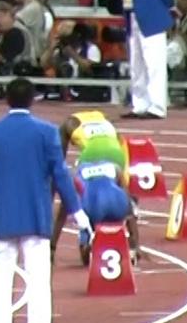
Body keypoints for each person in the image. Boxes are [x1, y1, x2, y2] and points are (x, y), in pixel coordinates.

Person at [0, 78, 88, 323]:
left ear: (6, 100)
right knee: (38, 279)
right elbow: (61, 176)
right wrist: (77, 211)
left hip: (1, 217)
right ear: (32, 100)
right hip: (36, 217)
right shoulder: (47, 132)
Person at [51, 109, 130, 260]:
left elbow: (58, 162)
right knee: (120, 190)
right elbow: (120, 142)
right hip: (117, 153)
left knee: (73, 198)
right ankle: (129, 240)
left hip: (90, 156)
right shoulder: (104, 120)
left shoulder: (68, 124)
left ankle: (79, 240)